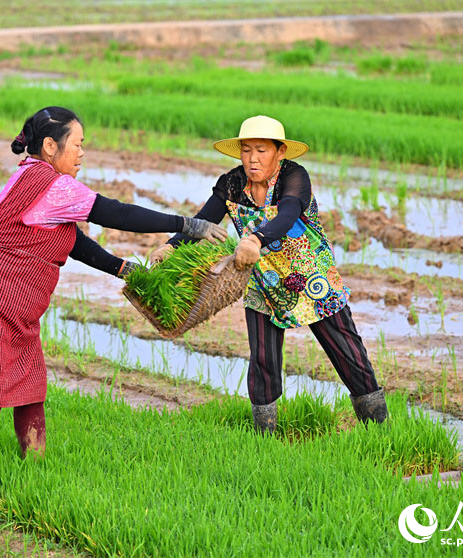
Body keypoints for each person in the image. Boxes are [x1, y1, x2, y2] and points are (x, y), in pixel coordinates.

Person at [0, 106, 228, 518]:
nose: (81, 154)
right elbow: (117, 212)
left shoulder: (32, 177)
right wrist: (188, 224)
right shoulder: (50, 183)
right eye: (76, 145)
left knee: (29, 388)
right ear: (50, 145)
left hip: (12, 299)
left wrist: (120, 267)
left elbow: (69, 239)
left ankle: (36, 475)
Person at [150, 115, 388, 433]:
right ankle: (266, 435)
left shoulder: (295, 178)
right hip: (262, 280)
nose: (252, 158)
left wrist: (256, 239)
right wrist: (171, 247)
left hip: (311, 277)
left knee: (346, 349)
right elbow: (204, 220)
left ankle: (378, 426)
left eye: (261, 150)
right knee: (263, 358)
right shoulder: (231, 184)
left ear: (280, 153)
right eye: (246, 150)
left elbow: (288, 214)